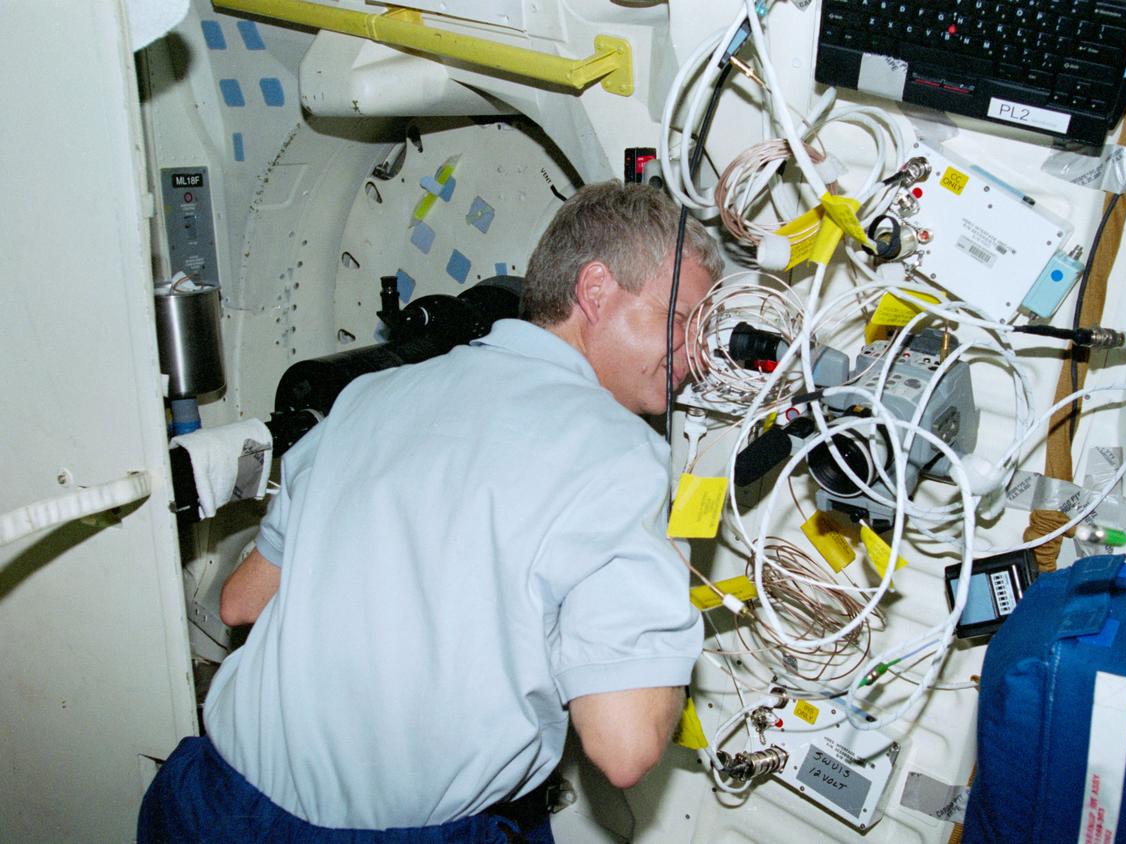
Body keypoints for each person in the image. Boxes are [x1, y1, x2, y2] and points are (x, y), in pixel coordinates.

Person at [138, 181, 723, 841]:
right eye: (680, 319)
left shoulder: (371, 394)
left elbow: (240, 602)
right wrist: (669, 575)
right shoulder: (621, 457)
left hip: (211, 804)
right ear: (594, 291)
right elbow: (625, 749)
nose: (695, 354)